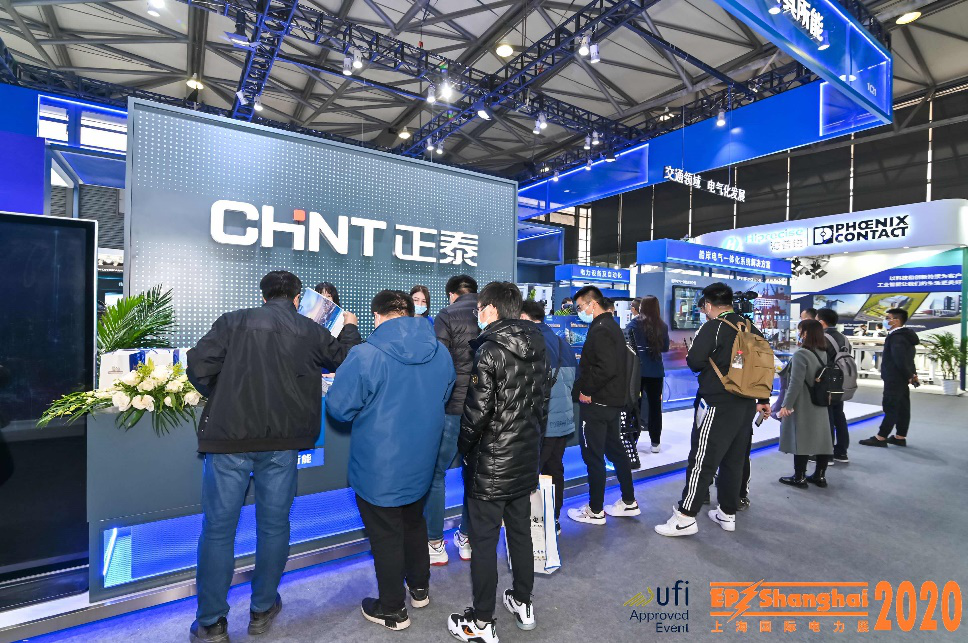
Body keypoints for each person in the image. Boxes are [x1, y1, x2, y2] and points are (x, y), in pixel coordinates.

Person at [186, 271, 361, 643]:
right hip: (282, 443)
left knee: (218, 530)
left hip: (229, 440)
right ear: (297, 299)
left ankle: (211, 623)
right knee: (274, 526)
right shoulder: (308, 330)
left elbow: (198, 368)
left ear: (264, 296)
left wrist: (225, 394)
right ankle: (262, 608)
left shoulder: (233, 321)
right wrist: (349, 326)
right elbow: (345, 359)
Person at [326, 290, 456, 631]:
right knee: (413, 522)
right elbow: (445, 394)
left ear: (376, 316)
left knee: (385, 535)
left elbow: (339, 409)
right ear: (411, 312)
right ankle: (419, 588)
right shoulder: (440, 351)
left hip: (378, 465)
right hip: (422, 458)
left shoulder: (365, 354)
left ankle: (393, 609)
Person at [448, 282, 552, 643]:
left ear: (491, 309)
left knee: (484, 541)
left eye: (479, 308)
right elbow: (542, 405)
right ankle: (523, 602)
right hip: (524, 457)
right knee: (520, 533)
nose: (477, 313)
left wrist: (464, 449)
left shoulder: (489, 350)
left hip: (491, 464)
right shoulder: (539, 344)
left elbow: (476, 414)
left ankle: (481, 622)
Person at [655, 283, 770, 537]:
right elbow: (762, 365)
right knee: (734, 460)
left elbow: (695, 361)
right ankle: (727, 513)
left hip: (717, 402)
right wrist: (763, 398)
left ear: (708, 305)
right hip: (746, 403)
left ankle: (685, 517)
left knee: (702, 459)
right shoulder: (750, 326)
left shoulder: (714, 327)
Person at [567, 285, 640, 526]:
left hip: (598, 403)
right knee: (615, 450)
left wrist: (586, 390)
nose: (579, 311)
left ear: (593, 304)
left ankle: (595, 509)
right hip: (611, 402)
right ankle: (628, 500)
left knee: (593, 455)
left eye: (580, 307)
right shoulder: (611, 326)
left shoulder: (601, 329)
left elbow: (605, 368)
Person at [426, 275, 478, 564]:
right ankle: (467, 538)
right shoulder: (489, 313)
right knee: (474, 475)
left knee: (436, 474)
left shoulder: (446, 315)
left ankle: (435, 543)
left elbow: (439, 365)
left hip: (451, 409)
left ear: (451, 294)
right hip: (481, 411)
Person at [520, 299, 577, 534]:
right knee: (555, 469)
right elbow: (573, 381)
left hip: (539, 423)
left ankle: (532, 523)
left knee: (531, 474)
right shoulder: (563, 343)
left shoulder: (528, 343)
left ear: (524, 317)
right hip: (563, 421)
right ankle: (553, 520)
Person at [775, 320, 834, 488]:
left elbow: (795, 383)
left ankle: (799, 477)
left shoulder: (801, 354)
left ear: (806, 333)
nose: (798, 333)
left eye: (800, 330)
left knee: (801, 437)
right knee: (823, 438)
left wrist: (786, 405)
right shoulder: (822, 352)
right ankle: (820, 475)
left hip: (803, 401)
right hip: (820, 400)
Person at [860, 308, 920, 448]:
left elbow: (899, 359)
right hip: (901, 378)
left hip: (894, 378)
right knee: (903, 407)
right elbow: (909, 358)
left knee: (891, 406)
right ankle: (900, 437)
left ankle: (881, 437)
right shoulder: (906, 335)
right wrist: (912, 374)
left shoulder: (896, 337)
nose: (885, 321)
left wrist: (909, 375)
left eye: (888, 318)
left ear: (896, 321)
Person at [628, 295, 670, 454]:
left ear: (642, 307)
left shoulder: (633, 324)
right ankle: (655, 442)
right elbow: (665, 348)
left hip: (636, 371)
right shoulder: (662, 326)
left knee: (634, 405)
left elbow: (628, 345)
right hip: (656, 371)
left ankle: (632, 439)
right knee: (655, 408)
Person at [817, 308, 851, 462]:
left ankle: (827, 454)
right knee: (839, 415)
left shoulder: (823, 338)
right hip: (842, 381)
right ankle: (841, 452)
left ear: (821, 322)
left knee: (827, 417)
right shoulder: (844, 338)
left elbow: (819, 361)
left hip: (826, 383)